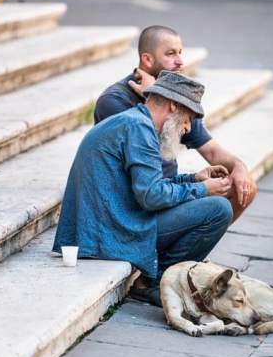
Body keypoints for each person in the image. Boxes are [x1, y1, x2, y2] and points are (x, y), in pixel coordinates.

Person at [53, 72, 234, 306]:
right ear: (173, 105)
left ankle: (157, 278)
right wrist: (203, 189)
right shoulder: (139, 128)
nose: (188, 128)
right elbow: (152, 197)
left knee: (207, 202)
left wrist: (194, 179)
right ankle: (156, 283)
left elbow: (149, 187)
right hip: (108, 235)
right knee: (219, 209)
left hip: (105, 226)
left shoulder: (134, 122)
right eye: (188, 118)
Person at [94, 25, 257, 222]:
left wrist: (239, 167)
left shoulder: (176, 97)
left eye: (180, 52)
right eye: (171, 54)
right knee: (217, 208)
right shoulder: (114, 101)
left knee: (242, 188)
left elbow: (212, 151)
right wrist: (152, 98)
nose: (180, 61)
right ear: (147, 59)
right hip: (135, 203)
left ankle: (196, 239)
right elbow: (142, 155)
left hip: (168, 191)